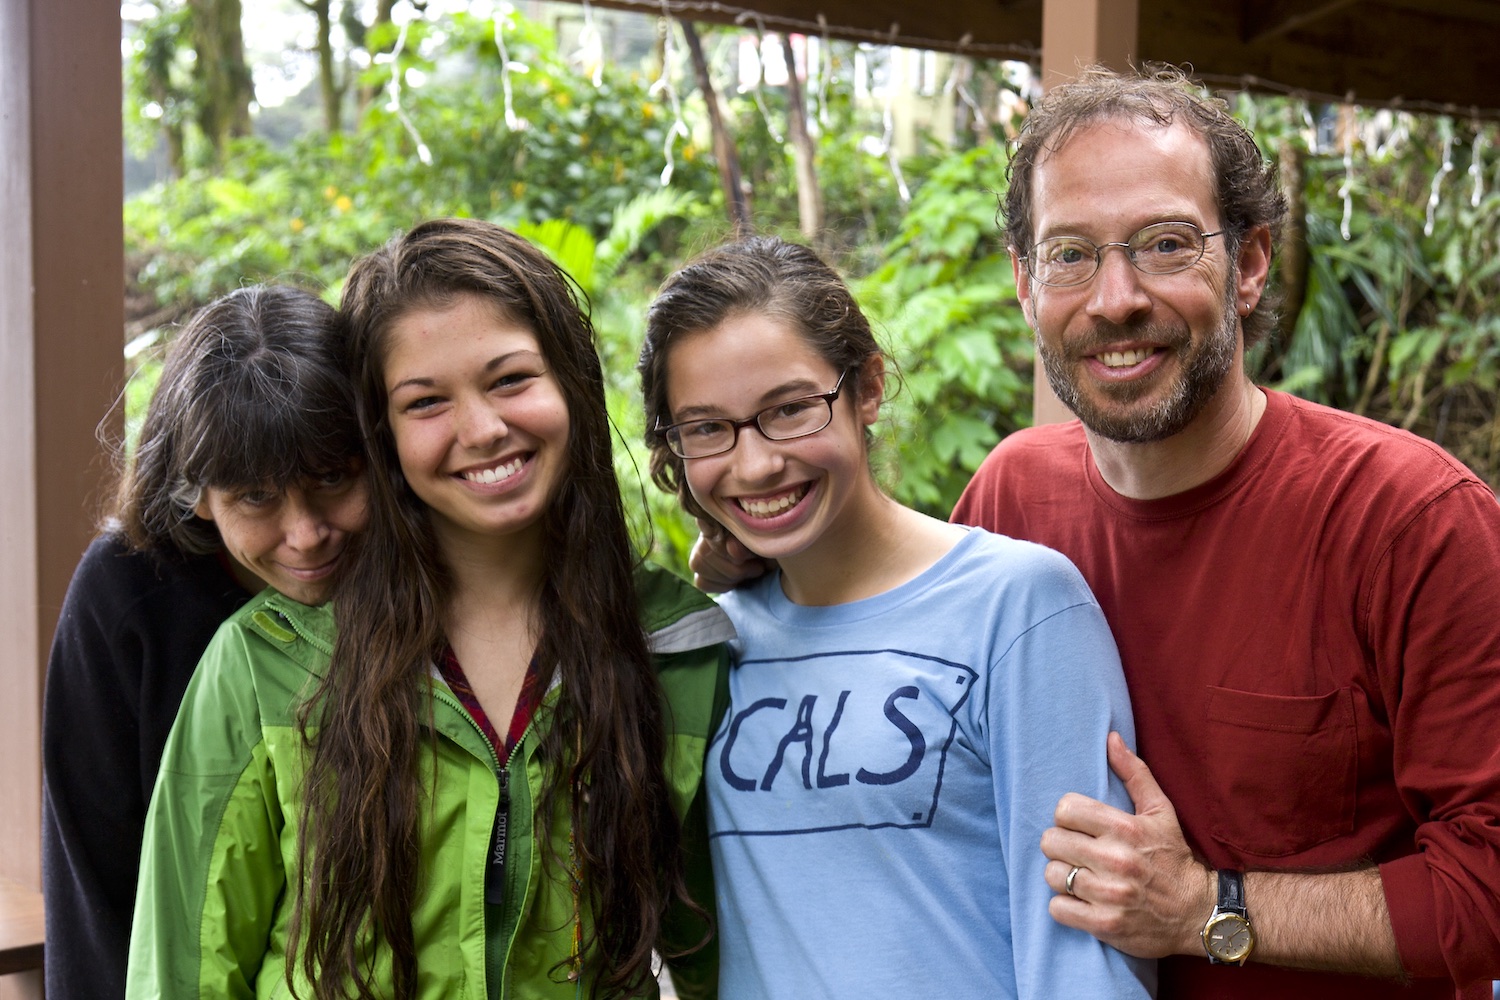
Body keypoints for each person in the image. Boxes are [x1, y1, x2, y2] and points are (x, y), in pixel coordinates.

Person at [692, 67, 1500, 999]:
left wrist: (1209, 910)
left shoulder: (1410, 520)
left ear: (1248, 263)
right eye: (1070, 254)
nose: (1115, 298)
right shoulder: (1012, 496)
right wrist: (762, 549)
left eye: (1164, 244)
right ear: (1027, 284)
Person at [126, 218, 733, 1000]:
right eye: (425, 402)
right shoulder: (272, 657)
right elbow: (182, 969)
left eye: (511, 379)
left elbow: (726, 957)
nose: (482, 430)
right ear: (380, 430)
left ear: (572, 382)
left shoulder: (677, 645)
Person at [638, 235, 1154, 999]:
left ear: (867, 387)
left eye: (788, 410)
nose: (754, 465)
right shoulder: (706, 645)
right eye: (708, 428)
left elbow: (1085, 948)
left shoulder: (1018, 606)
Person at [41, 285, 369, 999]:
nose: (306, 532)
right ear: (194, 492)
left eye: (334, 477)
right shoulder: (124, 593)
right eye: (256, 498)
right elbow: (92, 874)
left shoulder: (412, 577)